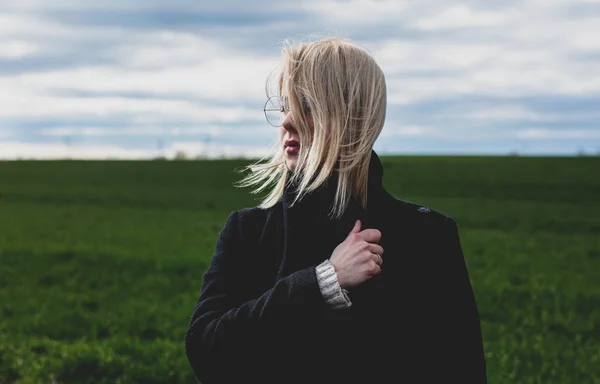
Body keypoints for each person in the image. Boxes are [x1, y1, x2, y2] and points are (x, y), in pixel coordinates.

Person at [185, 37, 487, 384]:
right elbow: (206, 351)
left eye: (307, 106)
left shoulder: (425, 236)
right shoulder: (248, 231)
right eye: (284, 106)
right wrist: (322, 282)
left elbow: (462, 370)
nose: (286, 122)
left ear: (352, 115)